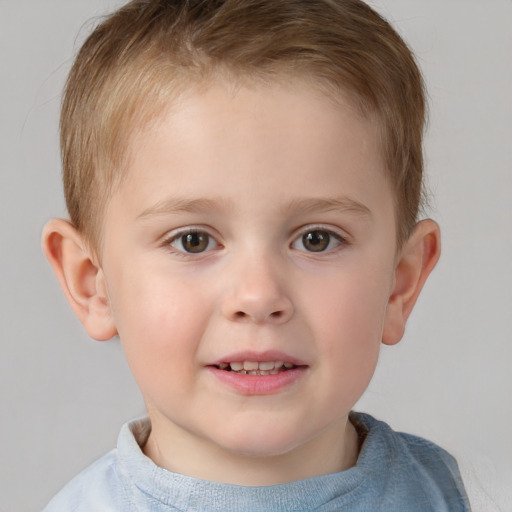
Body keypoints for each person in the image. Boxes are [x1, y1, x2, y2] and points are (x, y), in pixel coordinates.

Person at [41, 0, 471, 510]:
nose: (259, 295)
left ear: (400, 282)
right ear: (94, 283)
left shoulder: (434, 491)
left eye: (317, 238)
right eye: (193, 240)